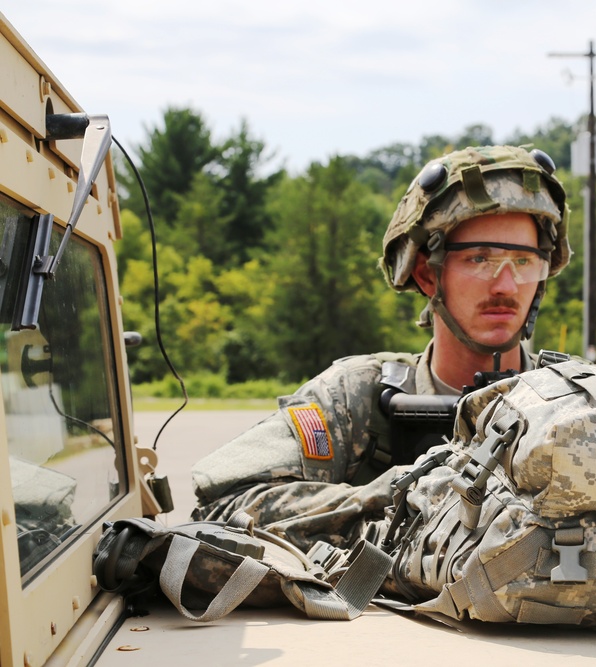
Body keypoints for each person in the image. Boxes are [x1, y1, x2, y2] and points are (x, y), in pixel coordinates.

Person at [189, 145, 571, 551]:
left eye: (524, 262)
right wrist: (404, 499)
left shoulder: (580, 407)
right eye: (480, 259)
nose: (506, 286)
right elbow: (222, 507)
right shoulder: (358, 401)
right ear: (426, 274)